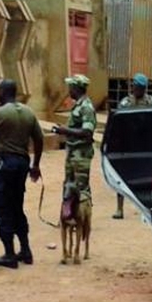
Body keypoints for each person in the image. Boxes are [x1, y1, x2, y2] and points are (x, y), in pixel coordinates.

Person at [0, 79, 43, 269]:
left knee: (2, 207)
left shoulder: (0, 113)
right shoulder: (29, 112)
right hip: (22, 163)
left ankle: (9, 254)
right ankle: (26, 250)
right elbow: (39, 138)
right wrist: (35, 164)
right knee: (17, 206)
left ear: (3, 92)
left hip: (5, 164)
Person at [114, 73, 152, 219]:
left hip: (146, 145)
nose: (136, 89)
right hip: (129, 145)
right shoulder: (125, 103)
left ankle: (147, 208)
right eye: (135, 86)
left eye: (139, 87)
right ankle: (119, 209)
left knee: (148, 178)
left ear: (144, 88)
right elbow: (119, 125)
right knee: (120, 176)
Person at [53, 74, 96, 210]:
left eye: (70, 87)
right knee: (69, 184)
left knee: (82, 186)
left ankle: (84, 217)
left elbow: (87, 132)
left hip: (81, 153)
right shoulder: (78, 105)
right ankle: (68, 215)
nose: (69, 90)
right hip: (73, 151)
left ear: (76, 88)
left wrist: (65, 131)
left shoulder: (86, 107)